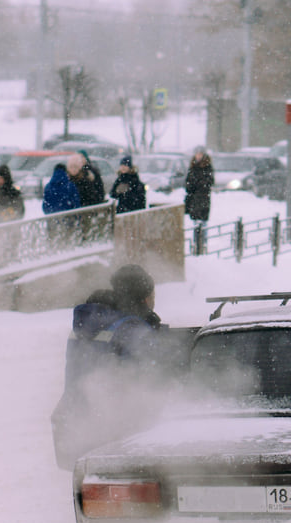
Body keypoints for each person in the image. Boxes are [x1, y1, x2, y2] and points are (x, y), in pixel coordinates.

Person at [50, 264, 173, 468]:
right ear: (144, 298)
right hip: (117, 427)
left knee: (92, 484)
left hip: (79, 419)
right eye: (153, 294)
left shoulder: (89, 323)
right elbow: (150, 380)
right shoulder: (133, 330)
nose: (154, 299)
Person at [183, 147, 213, 226]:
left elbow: (208, 182)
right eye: (197, 154)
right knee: (195, 221)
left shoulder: (207, 167)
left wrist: (197, 184)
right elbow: (188, 181)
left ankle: (202, 238)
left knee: (202, 222)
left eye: (200, 154)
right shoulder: (193, 167)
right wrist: (190, 186)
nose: (198, 156)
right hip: (193, 198)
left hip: (203, 198)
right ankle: (197, 237)